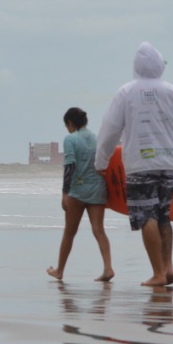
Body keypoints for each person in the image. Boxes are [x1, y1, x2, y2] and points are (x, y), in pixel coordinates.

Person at [94, 42, 173, 287]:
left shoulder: (126, 92)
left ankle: (158, 273)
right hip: (170, 163)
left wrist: (101, 161)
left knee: (147, 215)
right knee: (164, 215)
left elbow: (110, 130)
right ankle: (168, 266)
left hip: (140, 164)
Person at [48, 107, 114, 282]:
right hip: (98, 189)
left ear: (70, 123)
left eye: (66, 125)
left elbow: (70, 166)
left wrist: (65, 192)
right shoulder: (97, 138)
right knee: (99, 230)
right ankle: (108, 268)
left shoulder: (71, 139)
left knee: (69, 232)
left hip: (78, 190)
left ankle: (60, 270)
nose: (67, 129)